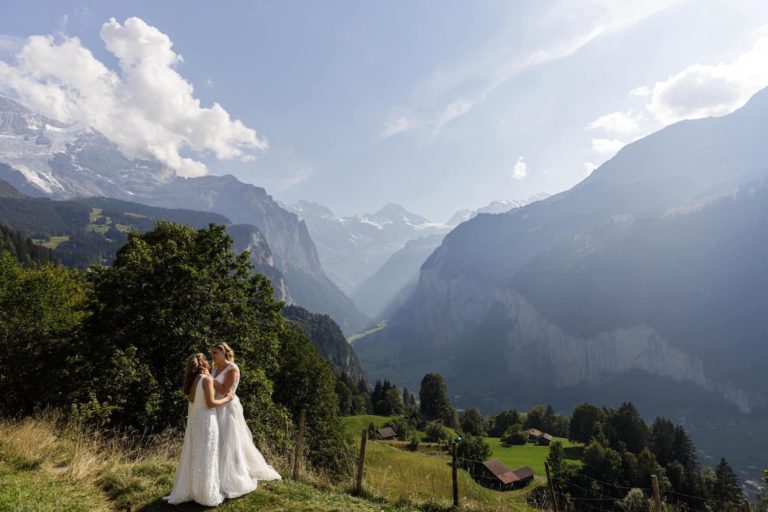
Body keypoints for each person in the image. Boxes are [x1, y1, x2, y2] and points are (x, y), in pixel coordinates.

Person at [210, 342, 281, 499]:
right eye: (212, 353)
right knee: (217, 440)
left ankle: (232, 476)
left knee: (228, 441)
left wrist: (209, 378)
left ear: (223, 352)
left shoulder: (232, 369)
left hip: (227, 408)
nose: (212, 356)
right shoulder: (215, 369)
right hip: (215, 407)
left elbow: (224, 391)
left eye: (215, 352)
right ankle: (215, 476)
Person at [164, 353, 234, 507]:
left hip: (196, 422)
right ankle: (206, 495)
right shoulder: (207, 380)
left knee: (196, 455)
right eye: (207, 361)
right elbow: (211, 403)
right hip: (207, 422)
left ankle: (193, 490)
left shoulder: (193, 381)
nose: (210, 362)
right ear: (203, 365)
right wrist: (228, 398)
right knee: (207, 455)